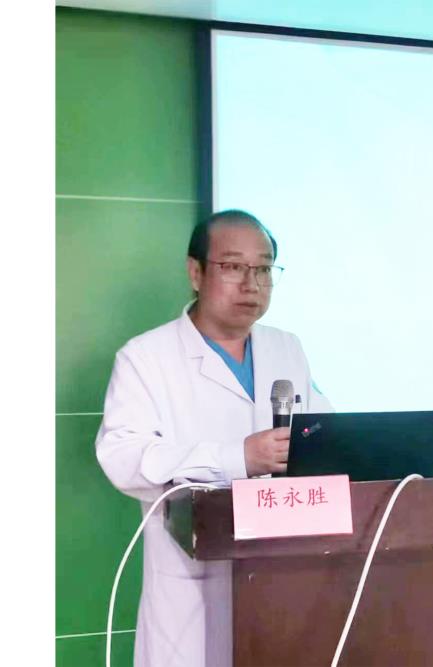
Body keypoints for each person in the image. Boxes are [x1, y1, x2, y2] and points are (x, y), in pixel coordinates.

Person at [95, 209, 332, 667]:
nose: (251, 284)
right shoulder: (146, 357)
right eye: (233, 266)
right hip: (191, 588)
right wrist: (234, 458)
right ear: (196, 272)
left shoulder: (286, 347)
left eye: (264, 269)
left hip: (283, 578)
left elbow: (325, 433)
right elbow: (122, 456)